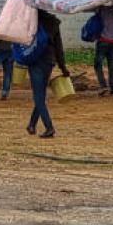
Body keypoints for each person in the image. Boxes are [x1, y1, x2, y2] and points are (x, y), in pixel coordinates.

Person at [27, 10, 69, 138]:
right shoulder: (53, 22)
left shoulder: (31, 19)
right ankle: (31, 124)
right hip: (49, 61)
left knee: (38, 97)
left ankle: (49, 127)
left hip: (35, 61)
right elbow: (58, 47)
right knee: (41, 94)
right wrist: (62, 67)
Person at [93, 6, 113, 97]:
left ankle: (103, 86)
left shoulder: (100, 9)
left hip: (102, 41)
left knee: (98, 64)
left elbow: (95, 21)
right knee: (112, 67)